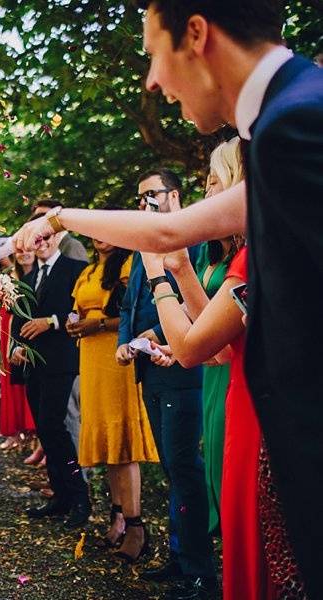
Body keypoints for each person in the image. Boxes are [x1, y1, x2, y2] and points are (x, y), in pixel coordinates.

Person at [13, 3, 322, 594]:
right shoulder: (288, 115)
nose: (152, 79)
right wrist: (57, 217)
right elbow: (170, 233)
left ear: (198, 34)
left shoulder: (299, 120)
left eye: (154, 51)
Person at [141, 244, 307, 599]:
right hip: (244, 393)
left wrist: (158, 275)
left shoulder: (256, 254)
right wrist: (183, 269)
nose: (209, 196)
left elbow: (195, 350)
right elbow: (220, 349)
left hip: (262, 409)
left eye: (216, 185)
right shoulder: (262, 249)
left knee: (263, 540)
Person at [116, 169, 214, 596]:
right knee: (173, 470)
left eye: (150, 196)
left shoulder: (192, 239)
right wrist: (125, 342)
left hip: (183, 370)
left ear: (174, 195)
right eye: (140, 199)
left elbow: (196, 304)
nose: (144, 205)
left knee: (185, 468)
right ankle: (179, 557)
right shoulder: (145, 245)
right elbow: (130, 302)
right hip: (148, 370)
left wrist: (152, 335)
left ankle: (200, 571)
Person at [67, 229, 159, 562]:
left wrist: (99, 326)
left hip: (116, 356)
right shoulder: (89, 271)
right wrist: (74, 323)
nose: (100, 237)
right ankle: (117, 514)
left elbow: (133, 316)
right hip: (90, 358)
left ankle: (137, 527)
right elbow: (77, 309)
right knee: (108, 443)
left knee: (123, 443)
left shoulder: (130, 264)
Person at [12, 225, 90, 529]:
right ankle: (60, 495)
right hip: (35, 366)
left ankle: (80, 497)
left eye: (46, 237)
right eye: (37, 238)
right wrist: (19, 347)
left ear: (57, 237)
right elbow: (20, 322)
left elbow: (81, 312)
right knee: (45, 429)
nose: (41, 242)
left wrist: (53, 322)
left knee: (57, 428)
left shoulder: (76, 269)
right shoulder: (29, 278)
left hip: (63, 360)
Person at [193, 137, 244, 537]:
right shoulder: (210, 253)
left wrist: (167, 270)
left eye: (213, 181)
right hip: (215, 368)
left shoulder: (247, 259)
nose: (207, 191)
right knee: (215, 465)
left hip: (238, 371)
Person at [0, 248, 36, 452]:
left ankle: (34, 437)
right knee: (10, 383)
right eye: (19, 251)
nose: (24, 254)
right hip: (8, 331)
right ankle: (15, 432)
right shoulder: (9, 277)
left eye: (28, 250)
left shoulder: (41, 275)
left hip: (30, 331)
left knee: (30, 385)